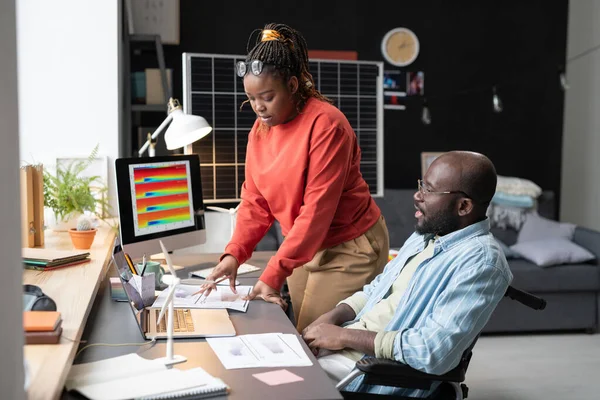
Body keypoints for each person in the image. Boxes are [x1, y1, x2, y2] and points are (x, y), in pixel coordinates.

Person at [198, 23, 389, 333]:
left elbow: (316, 214)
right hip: (302, 245)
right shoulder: (260, 131)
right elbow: (255, 202)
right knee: (296, 331)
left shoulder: (327, 126)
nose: (258, 107)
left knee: (314, 338)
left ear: (293, 84)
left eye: (268, 96)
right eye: (251, 98)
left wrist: (274, 271)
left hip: (349, 246)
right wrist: (234, 253)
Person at [302, 151, 513, 397]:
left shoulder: (481, 263)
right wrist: (332, 317)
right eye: (421, 185)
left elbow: (433, 351)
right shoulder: (426, 237)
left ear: (464, 206)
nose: (417, 195)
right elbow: (378, 290)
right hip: (343, 352)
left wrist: (344, 336)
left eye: (429, 190)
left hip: (365, 372)